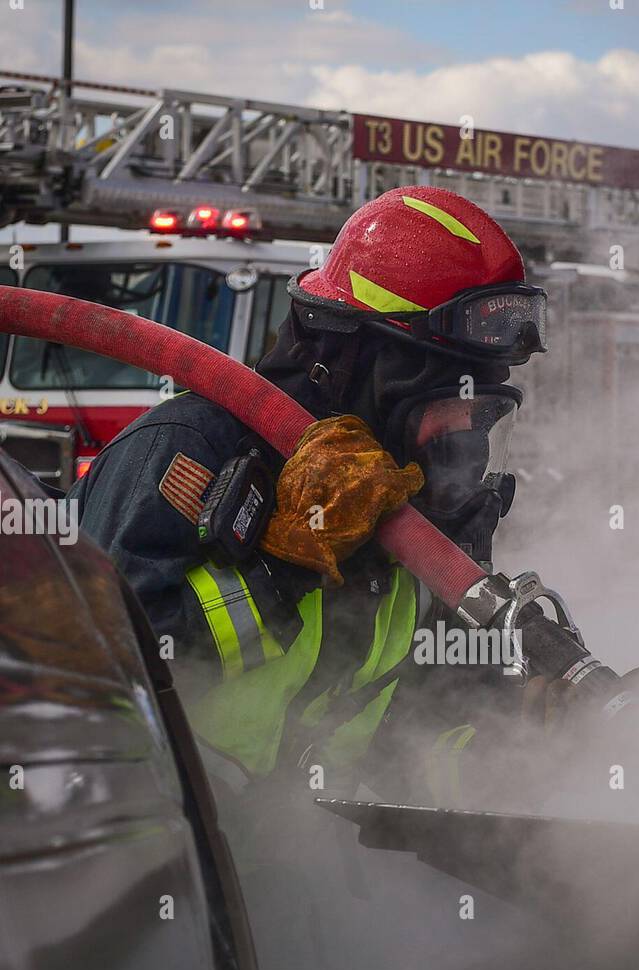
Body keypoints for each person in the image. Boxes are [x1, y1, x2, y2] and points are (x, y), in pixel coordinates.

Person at [71, 185, 559, 805]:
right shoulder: (189, 453)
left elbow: (405, 749)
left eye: (485, 414)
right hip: (162, 863)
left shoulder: (406, 522)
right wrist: (282, 566)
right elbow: (102, 675)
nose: (464, 439)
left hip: (299, 859)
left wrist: (521, 741)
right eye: (451, 407)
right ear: (364, 372)